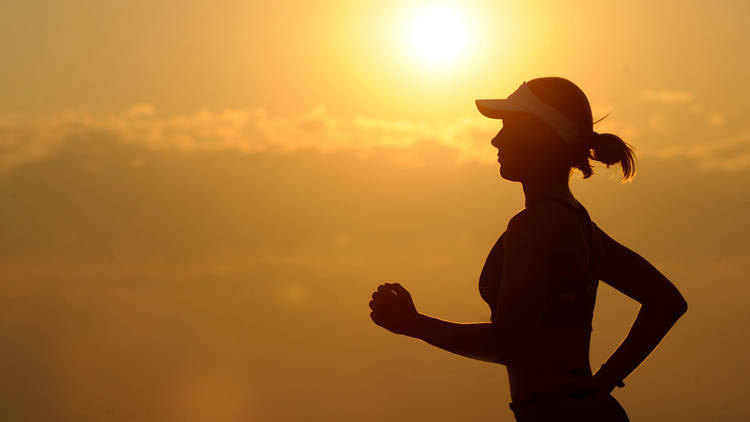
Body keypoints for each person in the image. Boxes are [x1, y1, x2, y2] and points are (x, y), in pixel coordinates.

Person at [368, 77, 688, 421]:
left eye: (510, 127)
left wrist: (414, 325)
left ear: (542, 136)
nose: (495, 139)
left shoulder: (535, 226)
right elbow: (666, 301)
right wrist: (604, 381)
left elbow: (510, 344)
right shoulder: (578, 223)